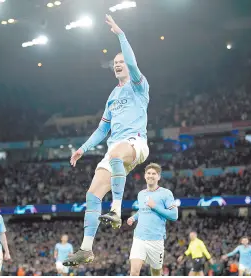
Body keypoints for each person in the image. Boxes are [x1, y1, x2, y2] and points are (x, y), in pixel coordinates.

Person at [63, 14, 150, 266]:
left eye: (121, 61)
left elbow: (133, 64)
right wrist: (82, 148)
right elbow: (102, 130)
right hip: (115, 151)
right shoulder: (112, 95)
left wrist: (120, 35)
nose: (118, 64)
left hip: (136, 144)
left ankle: (116, 210)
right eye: (115, 62)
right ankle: (86, 249)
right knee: (92, 195)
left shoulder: (138, 85)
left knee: (114, 155)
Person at [126, 163, 178, 276]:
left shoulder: (166, 193)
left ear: (158, 177)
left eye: (154, 174)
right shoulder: (141, 194)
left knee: (155, 273)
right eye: (148, 173)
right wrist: (134, 217)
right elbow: (143, 210)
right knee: (134, 272)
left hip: (156, 240)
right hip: (139, 238)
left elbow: (174, 216)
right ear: (145, 176)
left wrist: (155, 206)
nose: (151, 175)